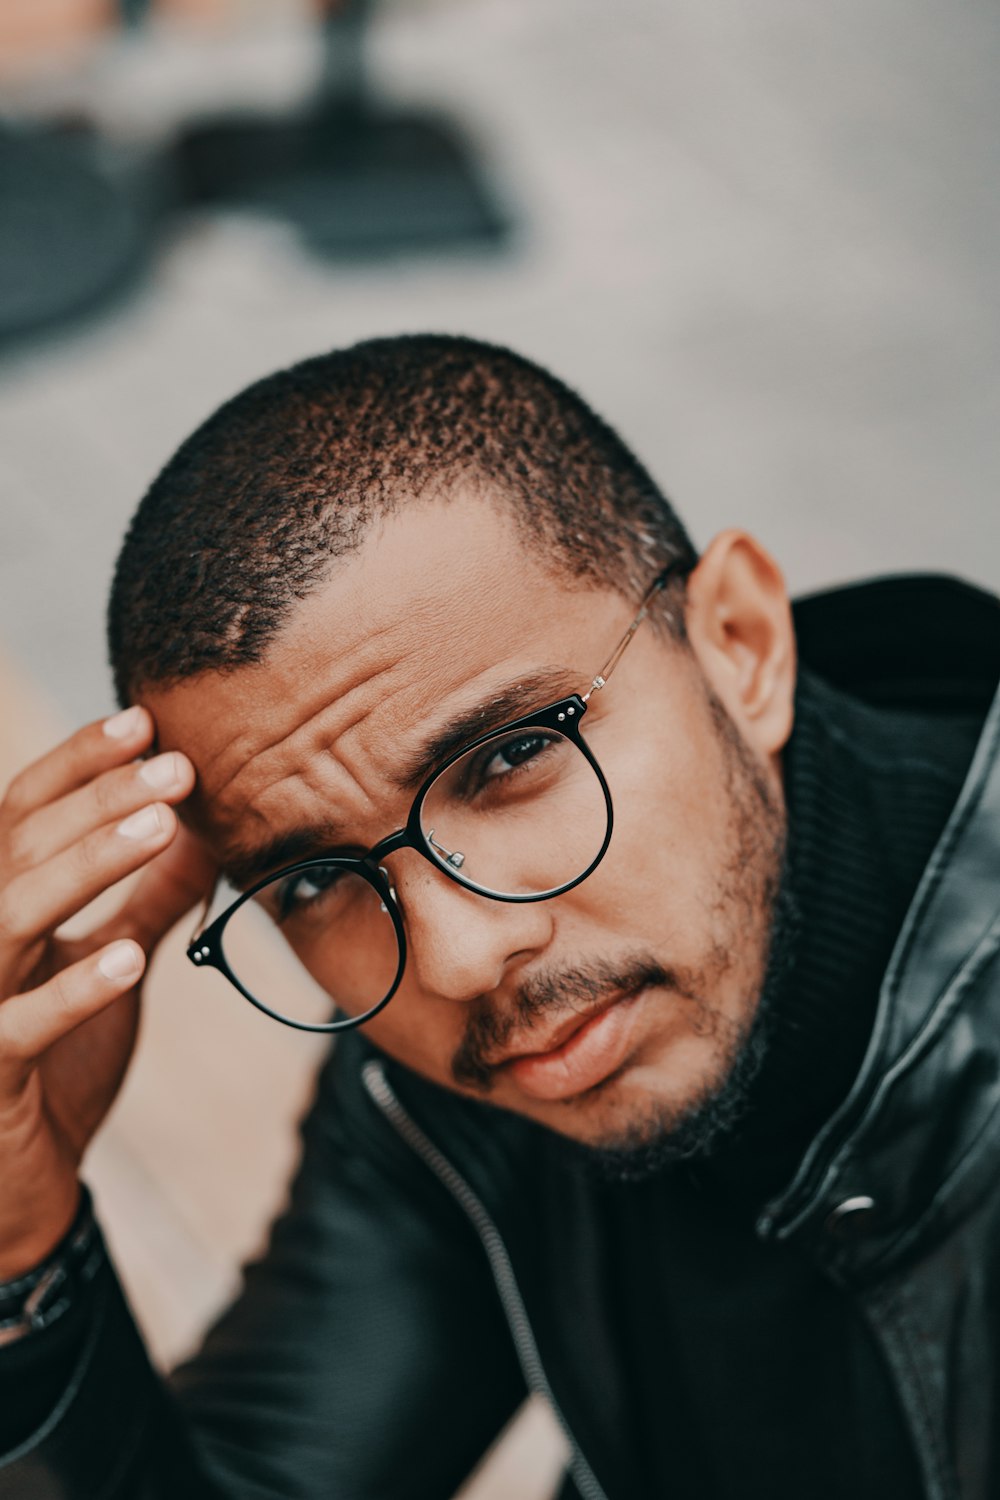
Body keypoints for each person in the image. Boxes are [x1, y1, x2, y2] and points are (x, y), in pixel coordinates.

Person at [0, 335, 997, 1500]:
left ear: (740, 644)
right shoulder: (448, 1070)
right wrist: (22, 1261)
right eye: (313, 882)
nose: (462, 957)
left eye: (513, 756)